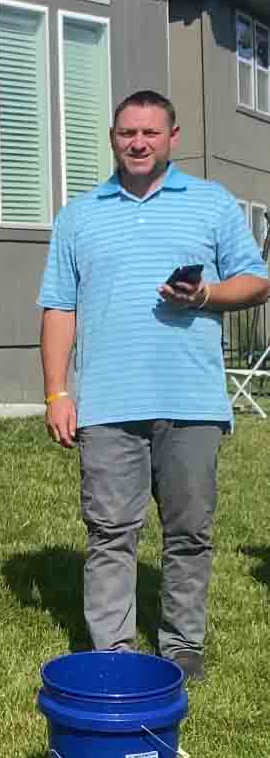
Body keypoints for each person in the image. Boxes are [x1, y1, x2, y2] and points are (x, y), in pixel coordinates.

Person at [38, 89, 270, 676]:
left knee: (189, 531)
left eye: (149, 132)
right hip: (109, 406)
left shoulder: (211, 204)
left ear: (172, 138)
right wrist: (57, 392)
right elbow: (59, 308)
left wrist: (207, 294)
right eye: (126, 133)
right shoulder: (79, 215)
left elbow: (257, 281)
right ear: (113, 139)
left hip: (191, 401)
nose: (137, 142)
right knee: (111, 533)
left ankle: (182, 644)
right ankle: (112, 652)